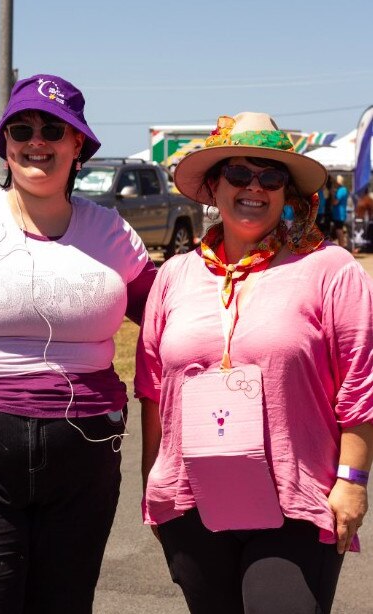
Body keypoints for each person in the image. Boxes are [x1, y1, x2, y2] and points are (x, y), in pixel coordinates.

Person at [0, 73, 156, 613]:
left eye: (54, 128)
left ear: (78, 145)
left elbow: (168, 319)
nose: (36, 140)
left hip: (86, 451)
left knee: (64, 605)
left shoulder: (111, 233)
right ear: (5, 146)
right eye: (21, 129)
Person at [135, 112, 373, 614]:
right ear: (215, 185)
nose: (255, 188)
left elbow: (359, 385)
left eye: (271, 177)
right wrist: (153, 487)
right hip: (193, 500)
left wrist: (352, 482)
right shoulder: (174, 275)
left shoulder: (329, 268)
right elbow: (154, 391)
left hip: (295, 498)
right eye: (240, 174)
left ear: (287, 192)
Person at [331, 174, 349, 247]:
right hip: (339, 214)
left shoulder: (341, 190)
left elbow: (335, 202)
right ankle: (342, 246)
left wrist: (332, 195)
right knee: (339, 230)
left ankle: (342, 246)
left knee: (339, 230)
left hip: (339, 214)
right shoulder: (342, 190)